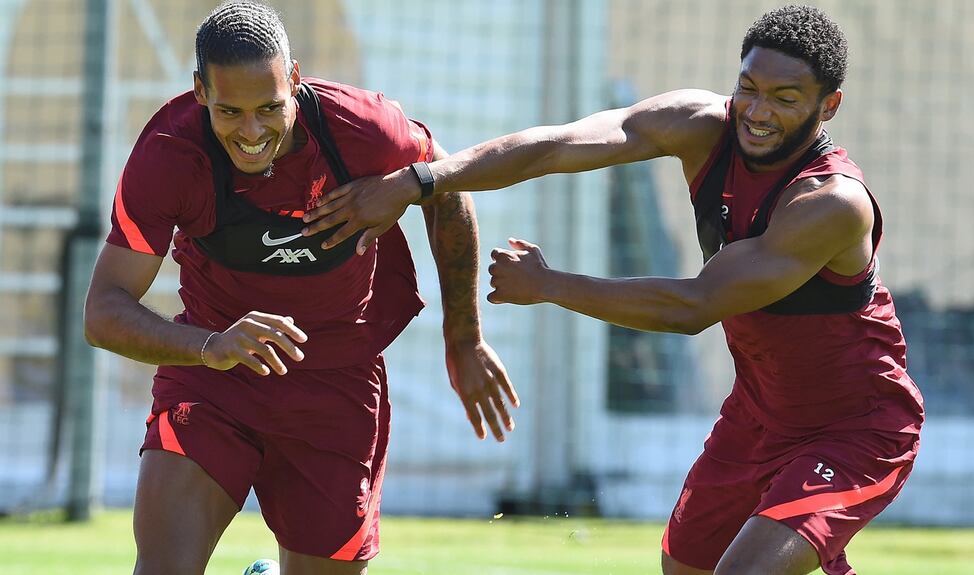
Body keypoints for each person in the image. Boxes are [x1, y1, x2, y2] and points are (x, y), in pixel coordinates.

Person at [300, 5, 924, 575]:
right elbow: (556, 146)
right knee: (683, 570)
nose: (758, 113)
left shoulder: (830, 204)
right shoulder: (702, 125)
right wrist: (422, 178)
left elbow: (694, 306)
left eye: (785, 99)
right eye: (749, 89)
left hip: (856, 427)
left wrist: (550, 285)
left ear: (830, 105)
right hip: (757, 416)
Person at [83, 2, 519, 574]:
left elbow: (447, 187)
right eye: (230, 111)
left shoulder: (363, 131)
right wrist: (211, 347)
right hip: (214, 381)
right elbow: (103, 310)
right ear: (199, 91)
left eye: (270, 107)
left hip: (337, 384)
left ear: (294, 78)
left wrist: (463, 337)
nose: (253, 131)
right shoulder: (171, 154)